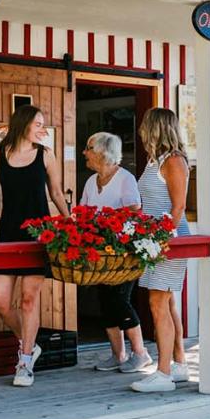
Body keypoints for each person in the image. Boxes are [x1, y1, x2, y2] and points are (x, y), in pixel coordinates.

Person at [0, 104, 69, 387]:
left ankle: (24, 362)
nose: (42, 129)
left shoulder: (46, 155)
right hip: (7, 233)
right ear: (23, 124)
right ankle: (31, 344)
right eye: (38, 124)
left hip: (39, 234)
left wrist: (71, 224)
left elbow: (56, 192)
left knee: (29, 300)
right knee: (0, 301)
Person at [79, 132, 153, 374]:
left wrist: (107, 223)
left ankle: (141, 353)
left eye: (88, 148)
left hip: (124, 254)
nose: (84, 152)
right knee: (105, 302)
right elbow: (83, 214)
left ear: (103, 152)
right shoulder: (92, 181)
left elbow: (134, 211)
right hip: (100, 255)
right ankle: (118, 354)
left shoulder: (125, 179)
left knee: (119, 300)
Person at [130, 108, 192, 393]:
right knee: (166, 302)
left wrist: (160, 240)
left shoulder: (174, 161)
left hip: (169, 240)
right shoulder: (156, 160)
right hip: (154, 239)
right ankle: (178, 364)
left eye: (146, 125)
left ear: (155, 127)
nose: (142, 129)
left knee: (158, 302)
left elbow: (178, 207)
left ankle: (163, 373)